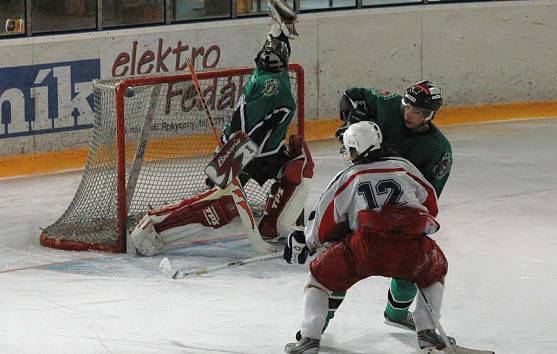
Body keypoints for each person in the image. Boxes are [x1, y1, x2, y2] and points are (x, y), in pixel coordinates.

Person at [130, 0, 313, 256]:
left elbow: (275, 48)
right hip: (249, 153)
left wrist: (276, 26)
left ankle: (271, 226)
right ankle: (154, 228)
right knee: (223, 203)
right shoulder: (277, 89)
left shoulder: (260, 71)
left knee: (284, 172)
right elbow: (257, 131)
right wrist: (229, 161)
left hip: (243, 148)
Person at [283, 121, 453, 354]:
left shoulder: (349, 176)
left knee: (318, 278)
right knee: (434, 271)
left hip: (364, 249)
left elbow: (323, 219)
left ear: (355, 149)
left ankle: (310, 339)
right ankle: (427, 333)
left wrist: (309, 242)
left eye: (349, 149)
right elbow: (430, 204)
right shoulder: (404, 167)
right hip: (411, 248)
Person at [324, 81, 453, 331]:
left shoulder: (439, 149)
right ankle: (318, 326)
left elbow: (428, 199)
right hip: (361, 203)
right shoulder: (388, 105)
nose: (409, 115)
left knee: (409, 264)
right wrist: (352, 119)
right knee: (340, 265)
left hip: (398, 216)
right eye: (408, 108)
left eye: (418, 113)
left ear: (431, 115)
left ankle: (396, 313)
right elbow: (352, 95)